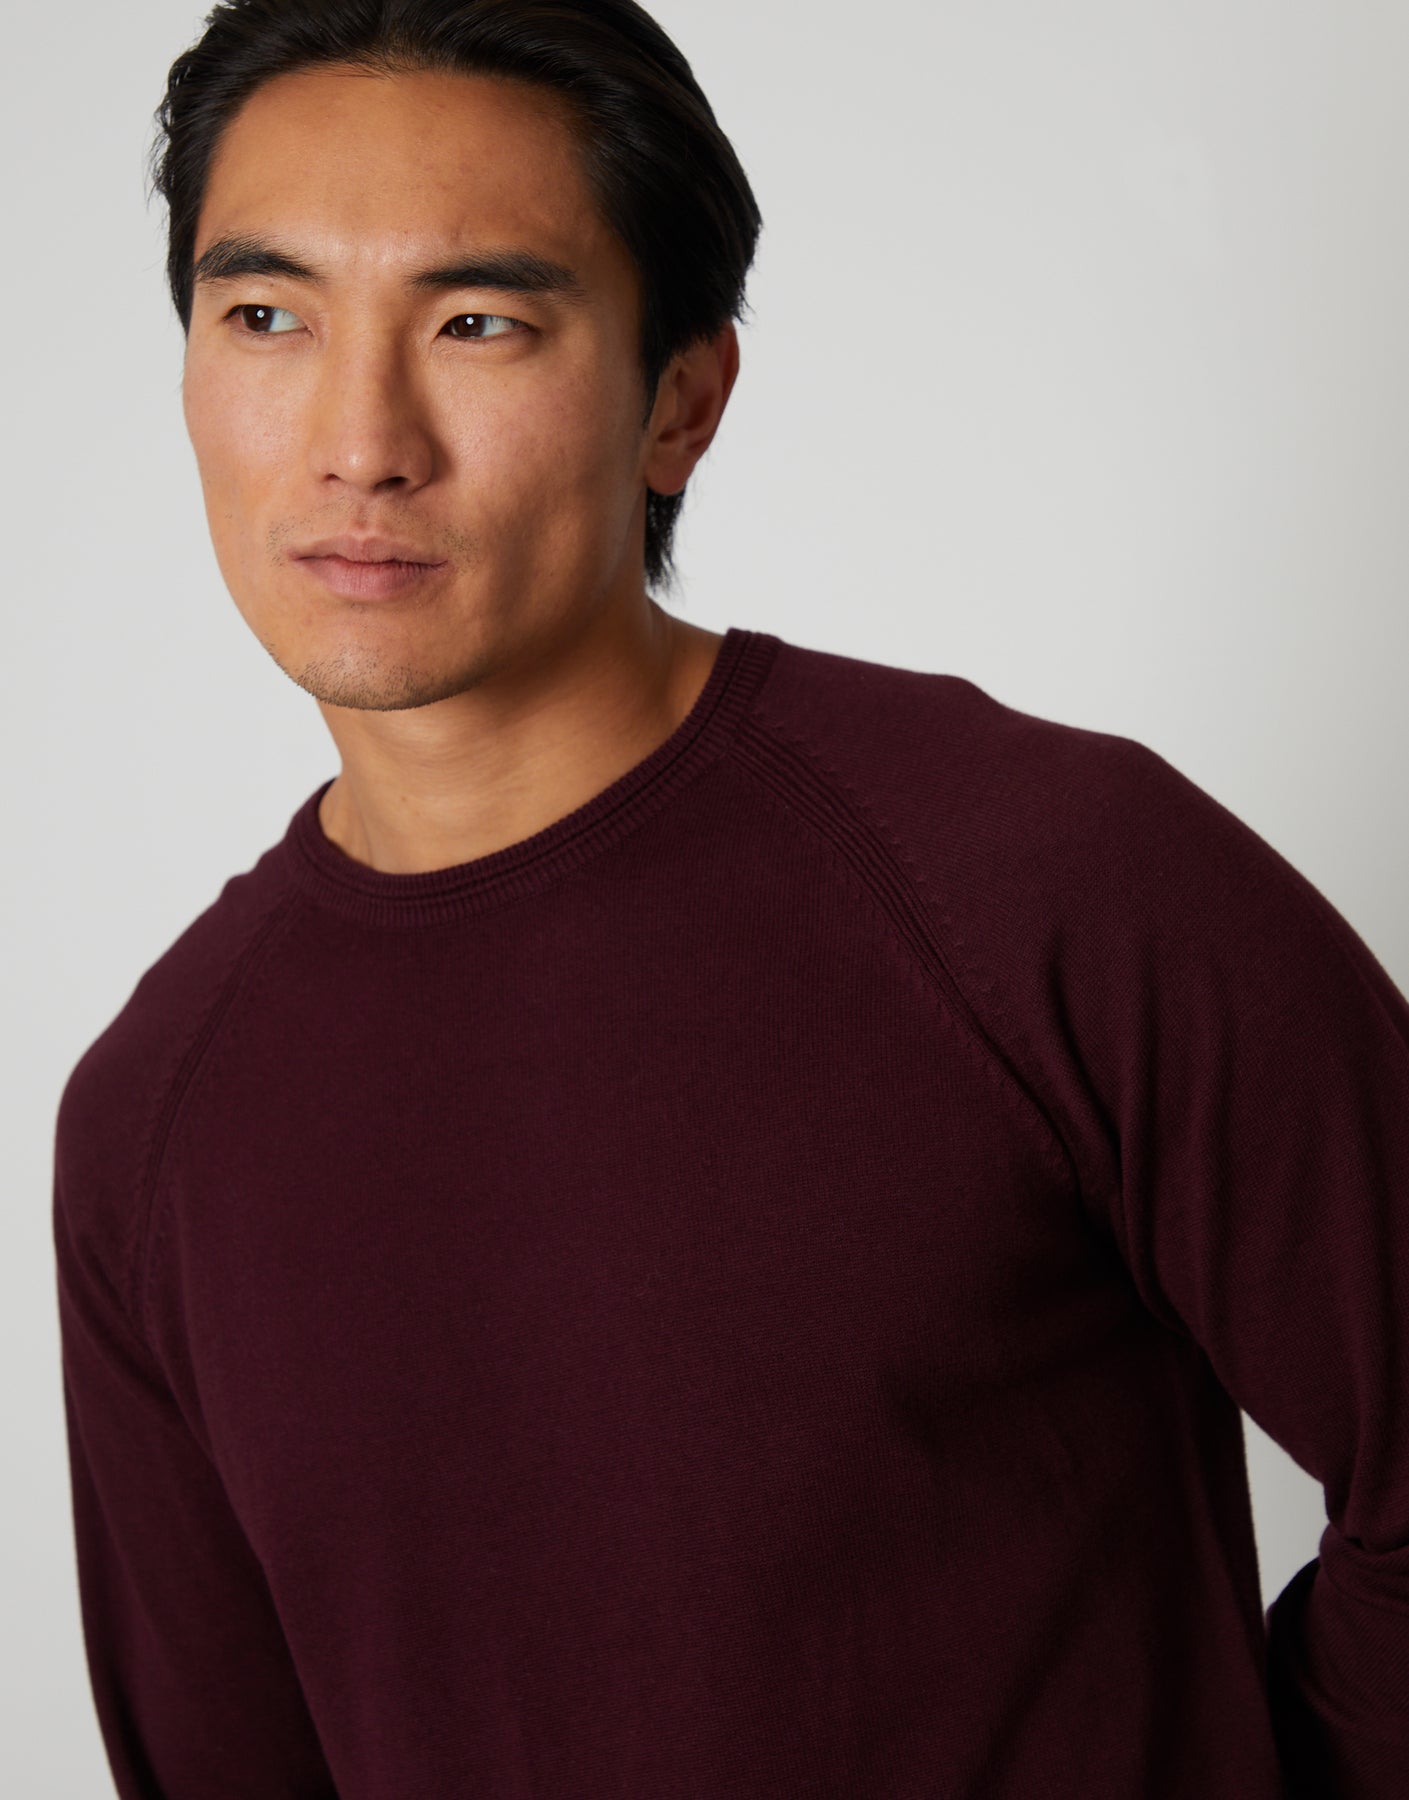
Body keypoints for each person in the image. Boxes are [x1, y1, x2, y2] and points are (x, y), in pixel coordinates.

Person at [50, 3, 1408, 1796]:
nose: (357, 440)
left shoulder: (1039, 880)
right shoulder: (151, 1123)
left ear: (679, 401)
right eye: (267, 317)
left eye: (477, 322)